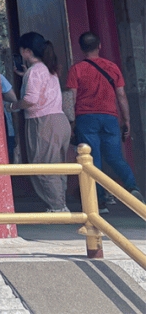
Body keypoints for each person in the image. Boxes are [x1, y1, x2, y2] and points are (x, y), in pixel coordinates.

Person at [66, 31, 143, 206]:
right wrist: (126, 120)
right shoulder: (112, 67)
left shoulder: (76, 69)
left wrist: (71, 122)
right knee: (115, 157)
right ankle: (132, 187)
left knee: (92, 159)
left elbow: (71, 97)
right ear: (99, 46)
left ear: (81, 48)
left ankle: (99, 202)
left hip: (86, 118)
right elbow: (121, 95)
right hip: (110, 117)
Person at [9, 33, 72, 212]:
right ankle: (60, 204)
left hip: (43, 122)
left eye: (21, 50)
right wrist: (26, 75)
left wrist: (13, 106)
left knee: (42, 166)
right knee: (57, 167)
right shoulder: (49, 69)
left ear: (27, 51)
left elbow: (30, 100)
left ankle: (58, 207)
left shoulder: (34, 71)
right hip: (60, 120)